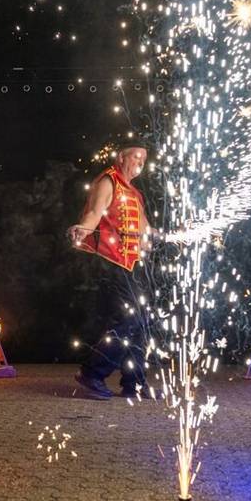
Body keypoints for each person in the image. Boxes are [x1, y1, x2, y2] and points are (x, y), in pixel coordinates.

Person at [68, 145, 158, 399]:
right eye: (136, 157)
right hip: (110, 262)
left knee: (142, 321)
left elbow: (145, 232)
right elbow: (94, 213)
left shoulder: (135, 193)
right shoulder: (108, 181)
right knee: (129, 319)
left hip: (131, 265)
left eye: (143, 159)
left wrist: (172, 236)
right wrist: (83, 229)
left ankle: (134, 383)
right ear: (121, 157)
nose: (140, 162)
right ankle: (92, 372)